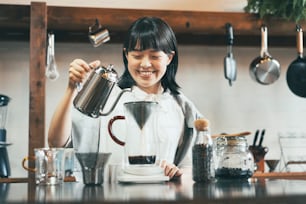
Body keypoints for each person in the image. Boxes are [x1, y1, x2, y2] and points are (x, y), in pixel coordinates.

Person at [48, 16, 203, 179]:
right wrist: (71, 87)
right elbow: (56, 143)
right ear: (126, 55)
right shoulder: (105, 95)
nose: (145, 64)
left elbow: (193, 169)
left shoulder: (182, 107)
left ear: (169, 58)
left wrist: (177, 173)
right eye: (137, 55)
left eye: (154, 56)